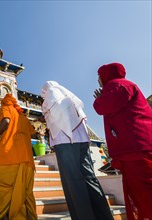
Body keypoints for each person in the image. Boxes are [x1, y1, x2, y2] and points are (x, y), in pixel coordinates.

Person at [41, 81, 113, 220]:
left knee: (73, 182)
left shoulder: (52, 93)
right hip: (81, 140)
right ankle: (104, 215)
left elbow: (58, 113)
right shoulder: (68, 95)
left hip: (66, 141)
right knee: (89, 177)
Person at [93, 62, 152, 220]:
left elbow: (102, 107)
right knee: (140, 192)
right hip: (136, 146)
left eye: (100, 76)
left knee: (145, 193)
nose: (99, 80)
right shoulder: (120, 86)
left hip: (135, 148)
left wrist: (99, 99)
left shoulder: (117, 85)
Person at [0, 94, 37, 220]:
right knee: (25, 192)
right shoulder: (23, 117)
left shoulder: (6, 107)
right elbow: (33, 134)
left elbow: (6, 121)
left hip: (9, 156)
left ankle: (2, 215)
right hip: (28, 161)